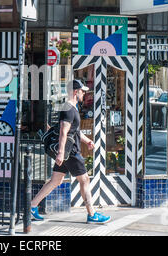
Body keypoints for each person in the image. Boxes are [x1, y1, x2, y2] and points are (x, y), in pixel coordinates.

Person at [30, 79, 111, 224]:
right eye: (82, 91)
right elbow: (63, 131)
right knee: (85, 179)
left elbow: (75, 131)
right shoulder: (68, 108)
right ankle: (92, 214)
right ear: (75, 92)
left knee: (56, 180)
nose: (84, 93)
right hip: (70, 152)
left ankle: (32, 206)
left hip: (67, 152)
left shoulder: (72, 108)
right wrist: (61, 152)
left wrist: (87, 141)